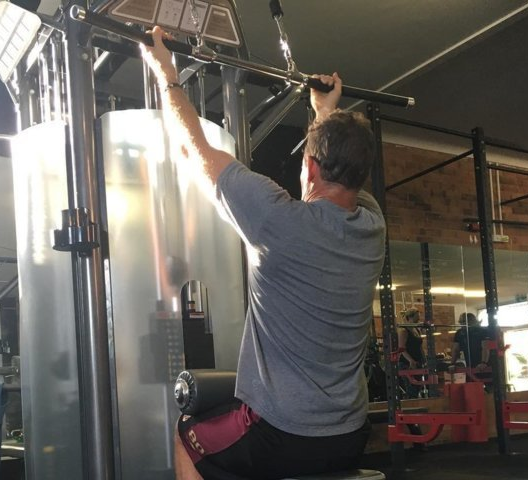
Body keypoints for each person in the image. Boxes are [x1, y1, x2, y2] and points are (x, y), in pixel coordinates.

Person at [142, 27, 386, 480]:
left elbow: (193, 148)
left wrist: (166, 75)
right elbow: (332, 186)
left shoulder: (277, 221)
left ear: (309, 166)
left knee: (187, 435)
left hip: (282, 432)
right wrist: (325, 113)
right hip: (351, 432)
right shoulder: (372, 225)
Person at [397, 308, 425, 398]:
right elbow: (401, 349)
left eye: (418, 319)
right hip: (407, 363)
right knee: (411, 389)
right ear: (409, 318)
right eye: (416, 319)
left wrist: (424, 359)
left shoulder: (417, 330)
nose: (418, 321)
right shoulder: (404, 331)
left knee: (417, 387)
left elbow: (419, 346)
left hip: (417, 362)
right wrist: (411, 361)